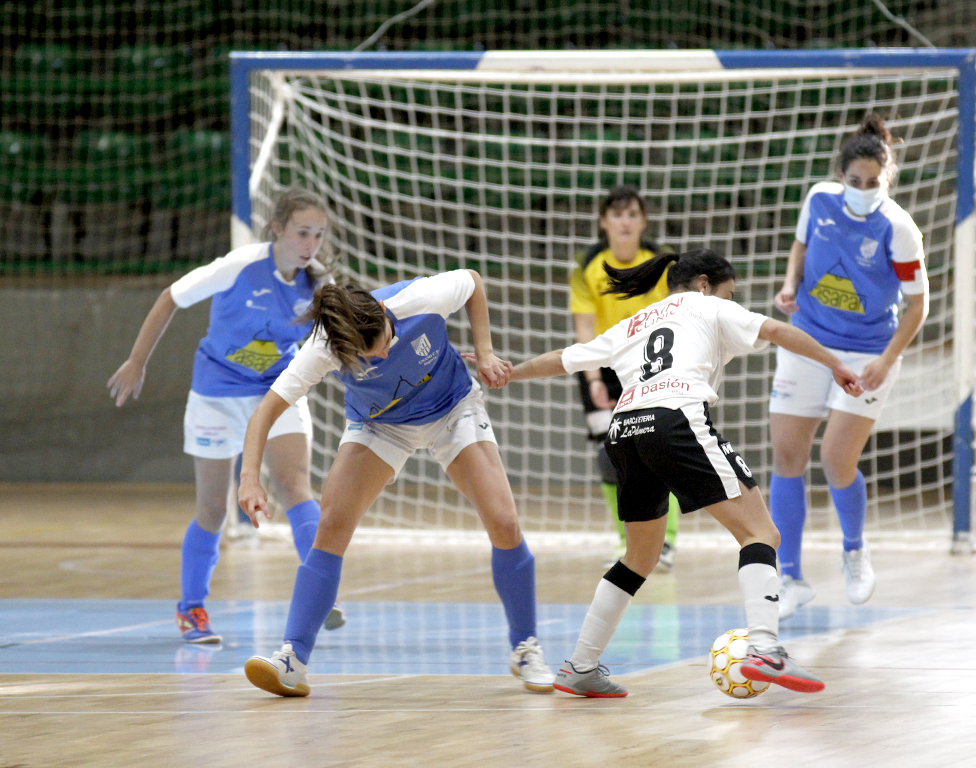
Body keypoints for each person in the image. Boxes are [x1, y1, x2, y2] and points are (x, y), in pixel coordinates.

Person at [502, 249, 864, 697]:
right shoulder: (710, 307)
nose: (732, 303)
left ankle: (579, 665)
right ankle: (766, 648)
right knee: (761, 534)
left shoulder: (635, 321)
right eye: (730, 294)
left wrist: (509, 374)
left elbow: (564, 359)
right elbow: (775, 329)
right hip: (675, 419)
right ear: (704, 283)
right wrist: (837, 364)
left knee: (639, 557)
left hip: (624, 428)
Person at [237, 269, 556, 697]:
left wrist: (484, 351)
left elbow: (475, 283)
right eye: (371, 356)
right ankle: (292, 658)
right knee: (331, 526)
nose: (384, 356)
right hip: (380, 424)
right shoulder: (322, 348)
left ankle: (525, 648)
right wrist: (248, 479)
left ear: (387, 314)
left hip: (451, 408)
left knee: (504, 522)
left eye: (385, 342)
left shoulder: (421, 297)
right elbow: (265, 411)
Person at [107, 187, 345, 643]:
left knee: (294, 485)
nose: (311, 243)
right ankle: (191, 609)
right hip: (217, 393)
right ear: (277, 229)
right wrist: (138, 360)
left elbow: (339, 340)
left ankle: (321, 590)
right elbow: (170, 298)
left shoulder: (318, 284)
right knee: (214, 509)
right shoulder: (239, 266)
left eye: (318, 234)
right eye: (302, 232)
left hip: (277, 392)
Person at [769, 114, 929, 619]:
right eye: (854, 182)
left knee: (837, 459)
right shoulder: (818, 200)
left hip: (867, 352)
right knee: (786, 455)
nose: (862, 190)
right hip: (807, 341)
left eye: (873, 183)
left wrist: (888, 358)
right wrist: (791, 285)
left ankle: (854, 550)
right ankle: (789, 575)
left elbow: (918, 305)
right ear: (841, 177)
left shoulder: (898, 229)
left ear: (888, 178)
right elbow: (800, 245)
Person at [570, 185, 680, 569]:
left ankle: (664, 543)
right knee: (609, 459)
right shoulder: (588, 268)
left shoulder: (663, 266)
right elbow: (584, 329)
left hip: (654, 370)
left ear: (643, 221)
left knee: (659, 454)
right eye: (617, 214)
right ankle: (628, 544)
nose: (625, 221)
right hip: (604, 370)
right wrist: (593, 379)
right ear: (603, 223)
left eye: (633, 214)